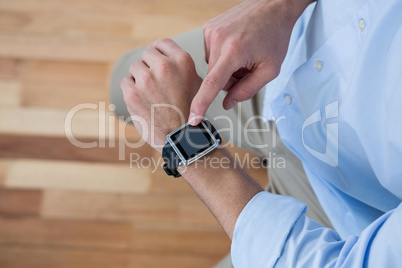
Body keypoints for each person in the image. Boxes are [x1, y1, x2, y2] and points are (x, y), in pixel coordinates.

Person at [111, 0, 402, 266]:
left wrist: (186, 143)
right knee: (125, 83)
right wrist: (281, 6)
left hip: (338, 212)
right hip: (285, 57)